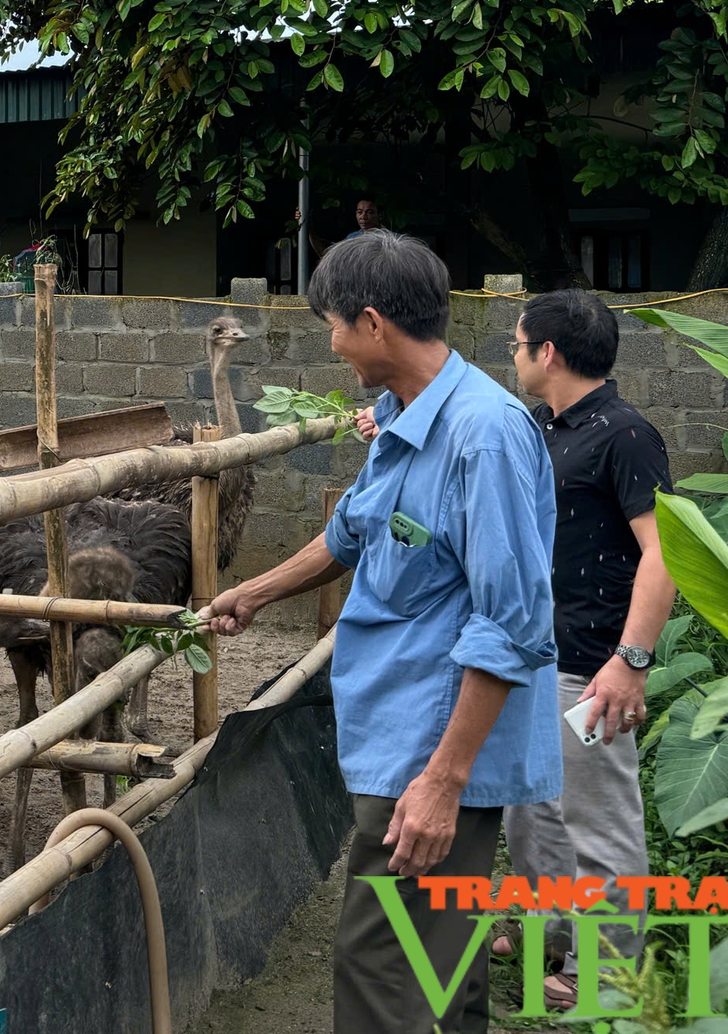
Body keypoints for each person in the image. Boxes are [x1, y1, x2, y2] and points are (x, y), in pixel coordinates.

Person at [208, 229, 560, 1033]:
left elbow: (511, 624)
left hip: (432, 752)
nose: (329, 344)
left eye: (331, 324)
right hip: (398, 724)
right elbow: (356, 532)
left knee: (380, 968)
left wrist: (443, 782)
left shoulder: (485, 435)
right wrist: (255, 592)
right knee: (447, 960)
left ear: (371, 323)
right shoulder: (404, 415)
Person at [498, 290, 673, 1010]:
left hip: (591, 666)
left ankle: (609, 981)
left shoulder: (626, 435)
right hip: (534, 655)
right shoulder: (543, 425)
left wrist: (631, 660)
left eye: (516, 343)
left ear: (548, 353)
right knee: (534, 813)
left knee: (598, 823)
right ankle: (552, 935)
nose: (512, 356)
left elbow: (664, 556)